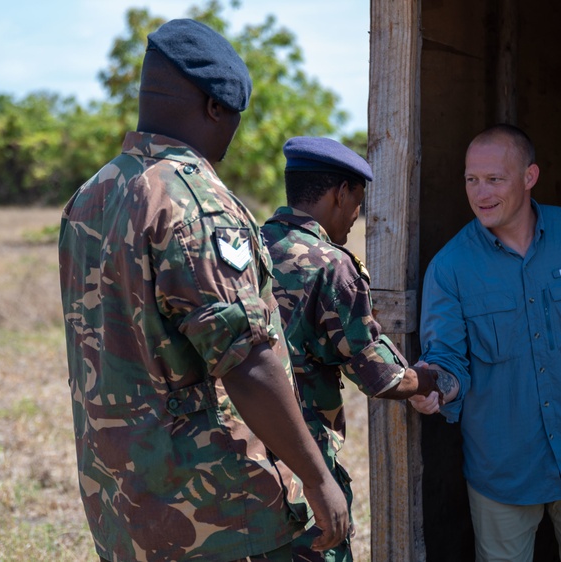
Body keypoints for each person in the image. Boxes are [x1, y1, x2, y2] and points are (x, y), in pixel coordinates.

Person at [58, 19, 348, 562]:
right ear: (216, 107)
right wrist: (317, 477)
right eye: (234, 118)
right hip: (219, 515)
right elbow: (248, 362)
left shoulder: (91, 195)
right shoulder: (194, 202)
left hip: (123, 504)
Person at [410, 124, 561, 562]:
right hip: (502, 474)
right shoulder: (449, 268)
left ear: (529, 177)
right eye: (471, 179)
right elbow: (445, 361)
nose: (480, 192)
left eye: (494, 179)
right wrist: (432, 387)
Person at [260, 136, 451, 561]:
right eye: (357, 202)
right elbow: (378, 375)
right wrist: (430, 378)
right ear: (340, 193)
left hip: (241, 457)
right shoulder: (330, 264)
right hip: (302, 465)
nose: (355, 215)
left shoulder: (250, 246)